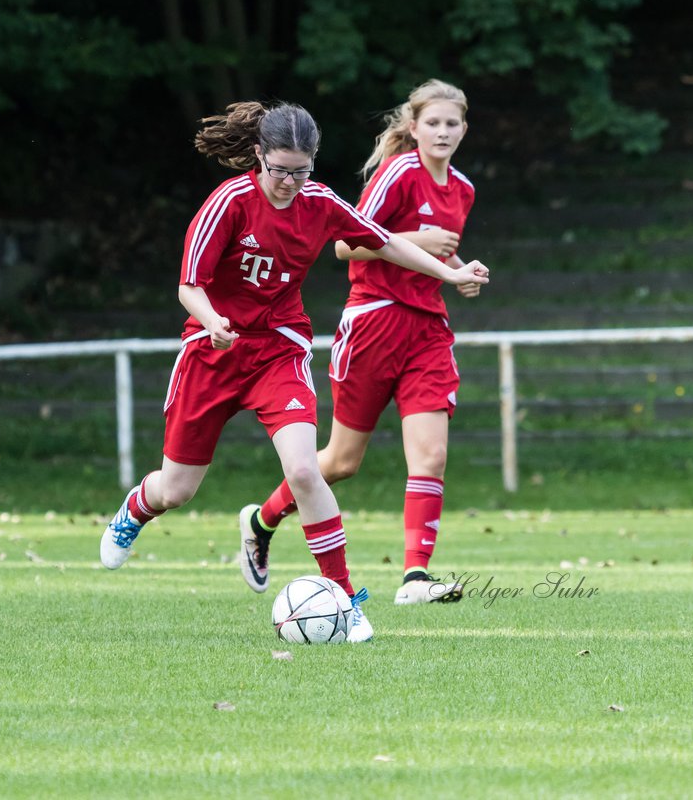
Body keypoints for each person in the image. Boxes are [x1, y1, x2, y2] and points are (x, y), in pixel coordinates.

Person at [98, 100, 489, 642]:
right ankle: (137, 509)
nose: (288, 182)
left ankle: (348, 601)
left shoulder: (320, 202)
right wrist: (213, 322)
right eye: (279, 169)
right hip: (212, 353)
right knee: (175, 491)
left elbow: (384, 241)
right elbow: (190, 286)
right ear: (258, 155)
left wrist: (448, 273)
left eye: (300, 171)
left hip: (279, 350)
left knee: (306, 470)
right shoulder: (229, 202)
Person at [240, 79, 481, 606]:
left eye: (452, 123)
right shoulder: (398, 173)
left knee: (431, 455)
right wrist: (423, 243)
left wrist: (459, 273)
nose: (443, 132)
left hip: (428, 331)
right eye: (433, 122)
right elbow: (348, 245)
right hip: (373, 324)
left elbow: (438, 255)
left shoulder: (462, 188)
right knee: (343, 461)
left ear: (464, 128)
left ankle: (416, 578)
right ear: (413, 127)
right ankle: (262, 520)